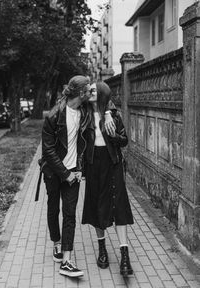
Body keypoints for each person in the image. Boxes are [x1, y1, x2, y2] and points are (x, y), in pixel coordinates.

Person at [41, 75, 115, 278]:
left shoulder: (85, 111)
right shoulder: (54, 115)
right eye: (89, 90)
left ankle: (66, 260)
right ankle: (56, 243)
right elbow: (48, 150)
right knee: (53, 208)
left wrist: (108, 113)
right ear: (80, 93)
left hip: (74, 171)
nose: (93, 92)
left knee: (70, 214)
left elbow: (106, 98)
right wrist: (65, 174)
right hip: (54, 171)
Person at [82, 81, 134, 277]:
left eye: (93, 90)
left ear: (102, 93)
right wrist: (103, 112)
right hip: (93, 164)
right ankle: (102, 249)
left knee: (118, 206)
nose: (90, 92)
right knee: (97, 206)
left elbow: (124, 141)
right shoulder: (84, 114)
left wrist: (112, 135)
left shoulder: (114, 115)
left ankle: (124, 256)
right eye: (89, 91)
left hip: (112, 163)